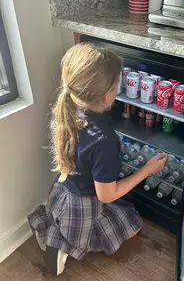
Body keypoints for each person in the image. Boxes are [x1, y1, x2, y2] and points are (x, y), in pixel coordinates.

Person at [27, 43, 167, 276]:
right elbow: (107, 195)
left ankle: (57, 232)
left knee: (114, 213)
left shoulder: (67, 110)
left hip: (62, 193)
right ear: (108, 96)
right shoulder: (104, 140)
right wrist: (146, 170)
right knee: (133, 226)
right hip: (83, 208)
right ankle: (62, 245)